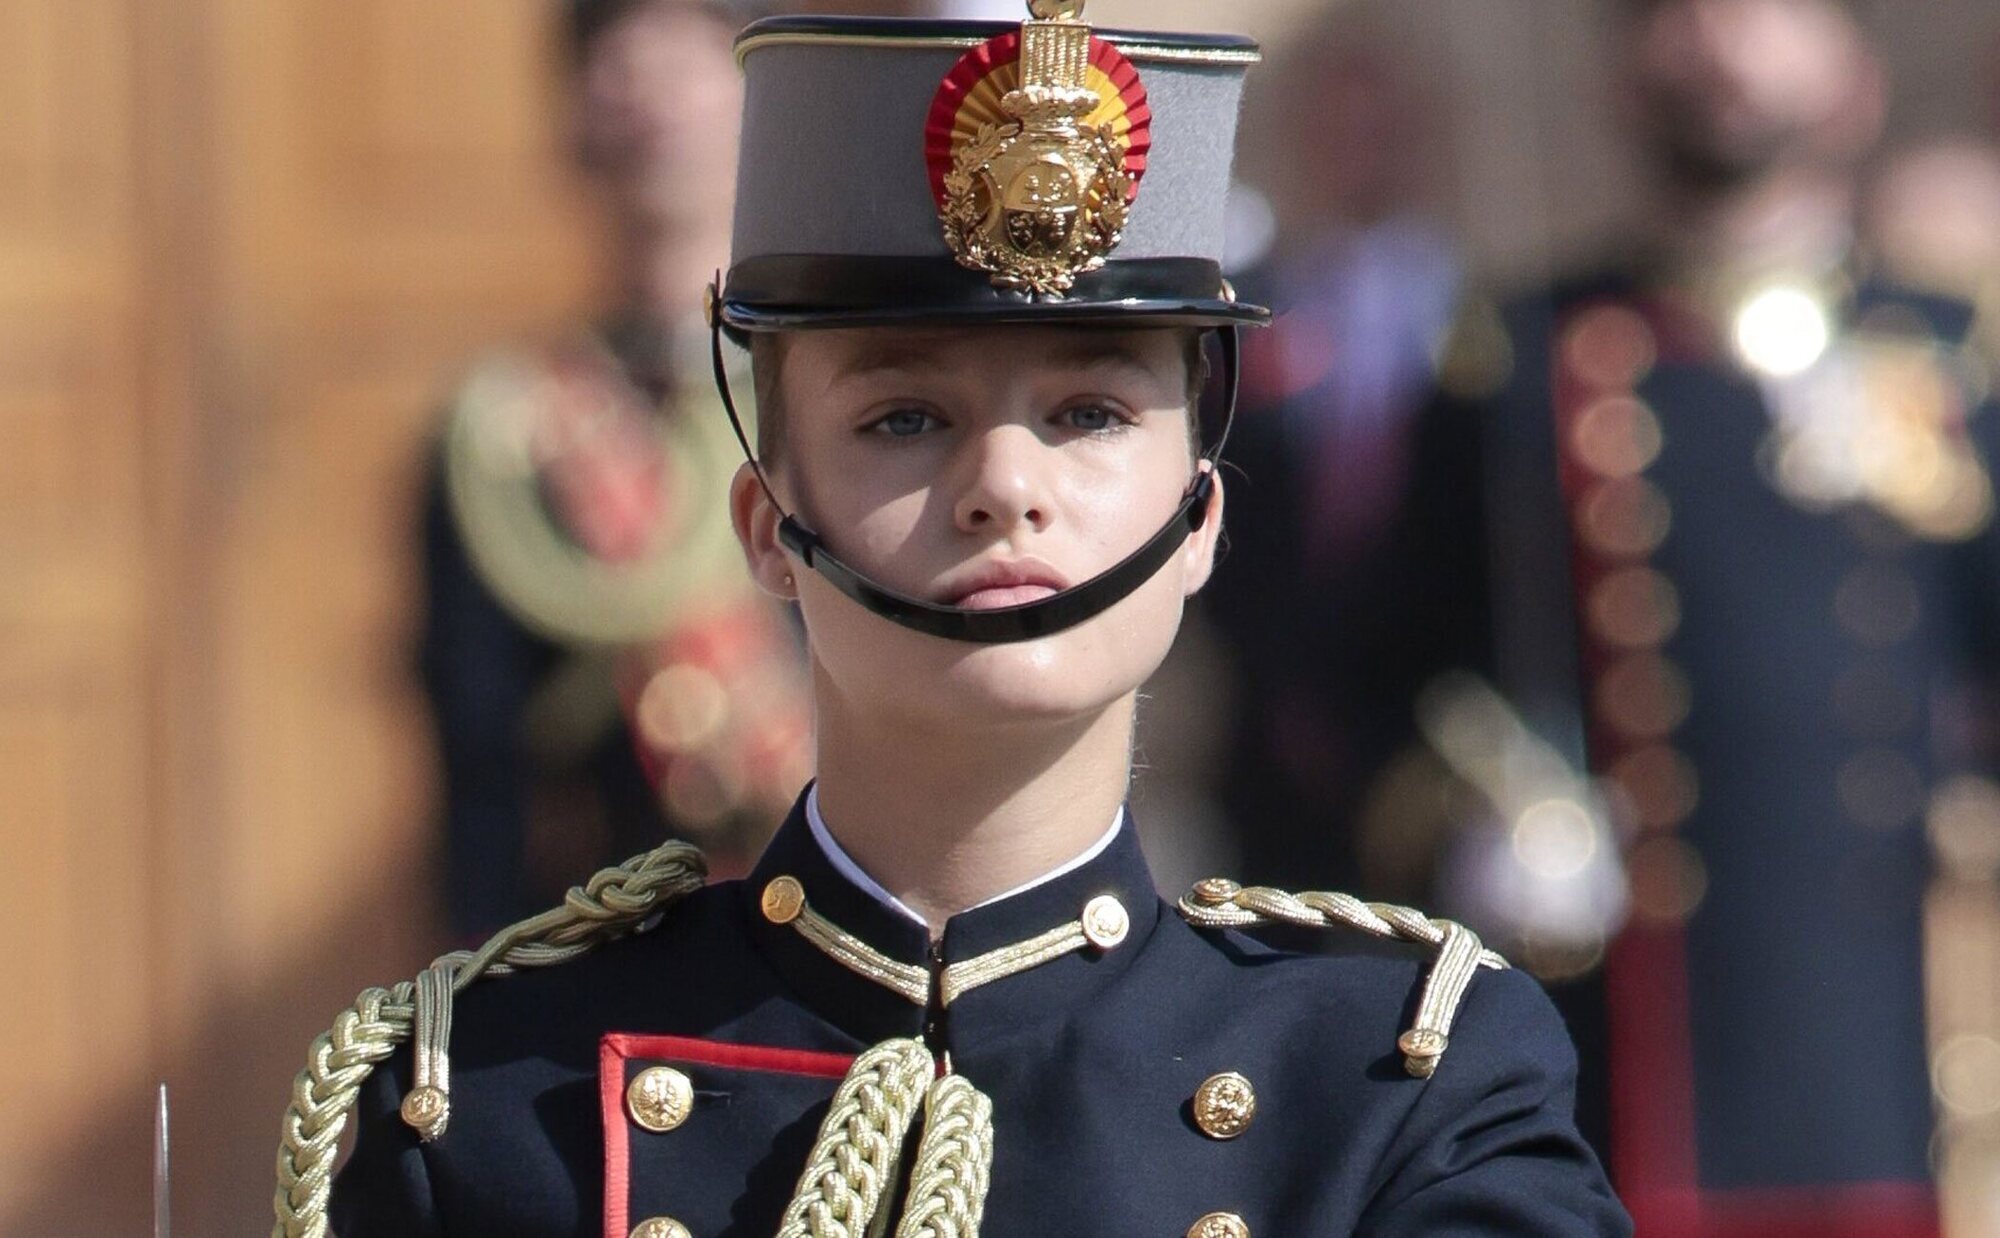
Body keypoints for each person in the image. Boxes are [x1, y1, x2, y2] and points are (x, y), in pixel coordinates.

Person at [277, 4, 1630, 1234]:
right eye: (904, 418)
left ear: (1203, 517)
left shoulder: (1406, 1084)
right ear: (766, 526)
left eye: (1089, 413)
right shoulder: (492, 1103)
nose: (1003, 488)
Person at [1352, 0, 2000, 1231]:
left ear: (1851, 72)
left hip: (1901, 1031)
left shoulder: (1953, 350)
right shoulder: (1518, 355)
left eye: (1769, 11)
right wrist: (1491, 804)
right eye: (1674, 14)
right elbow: (1385, 671)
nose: (1719, 42)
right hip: (1628, 1029)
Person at [420, 0, 810, 939]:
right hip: (617, 937)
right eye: (613, 60)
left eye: (685, 56)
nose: (646, 90)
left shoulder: (847, 398)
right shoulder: (509, 435)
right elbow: (483, 776)